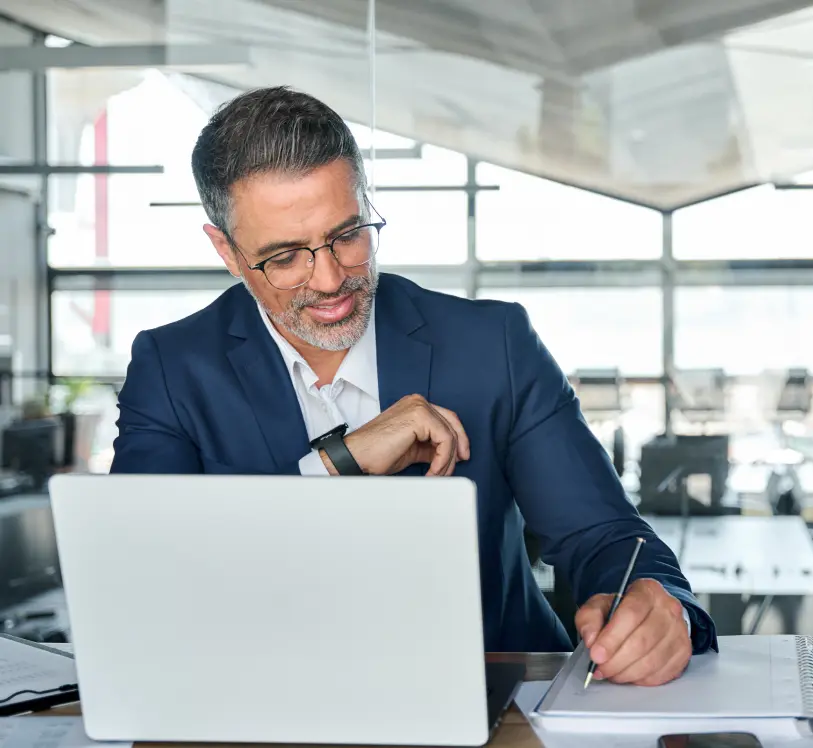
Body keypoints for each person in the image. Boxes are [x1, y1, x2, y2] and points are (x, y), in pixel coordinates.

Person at [111, 86, 716, 684]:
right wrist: (338, 464)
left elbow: (604, 535)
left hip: (500, 699)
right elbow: (146, 581)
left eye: (348, 234)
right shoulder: (172, 368)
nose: (329, 279)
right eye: (286, 256)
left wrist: (661, 607)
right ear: (226, 249)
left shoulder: (493, 344)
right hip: (265, 699)